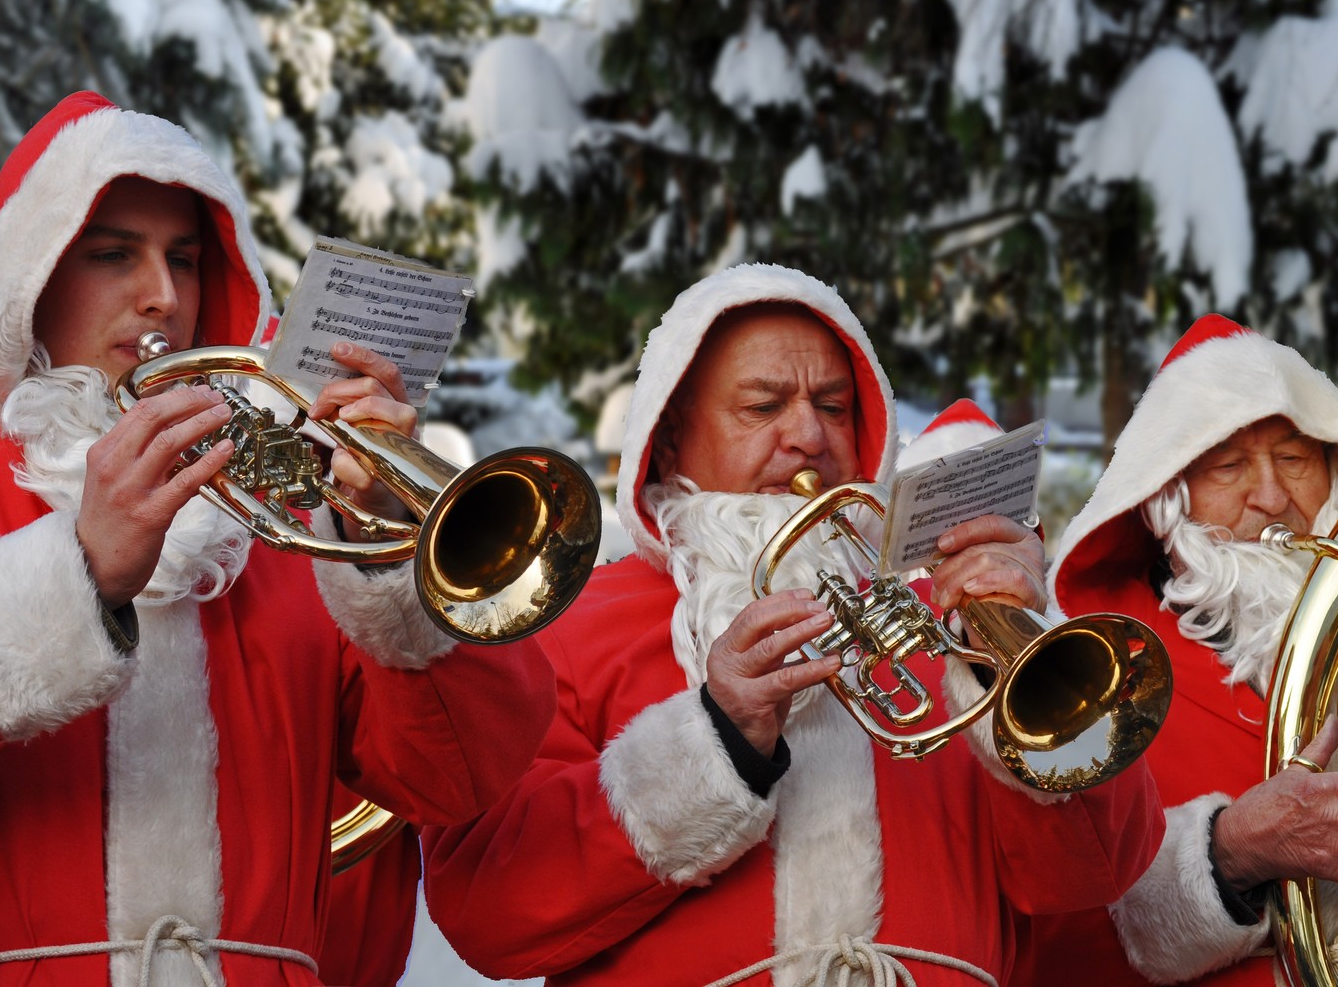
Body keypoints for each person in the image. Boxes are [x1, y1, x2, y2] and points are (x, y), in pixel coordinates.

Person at [0, 91, 556, 986]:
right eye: (113, 254)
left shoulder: (286, 521)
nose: (163, 296)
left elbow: (455, 778)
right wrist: (75, 576)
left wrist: (390, 547)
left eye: (187, 261)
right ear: (30, 276)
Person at [422, 263, 1164, 986]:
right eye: (763, 406)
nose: (808, 435)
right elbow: (487, 907)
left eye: (834, 407)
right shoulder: (575, 621)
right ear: (671, 435)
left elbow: (1092, 878)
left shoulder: (947, 618)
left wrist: (1011, 644)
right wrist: (716, 743)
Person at [1019, 313, 1338, 985]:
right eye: (1228, 466)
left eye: (1293, 458)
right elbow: (1059, 927)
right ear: (1167, 498)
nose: (1273, 498)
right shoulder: (1092, 671)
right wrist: (1227, 855)